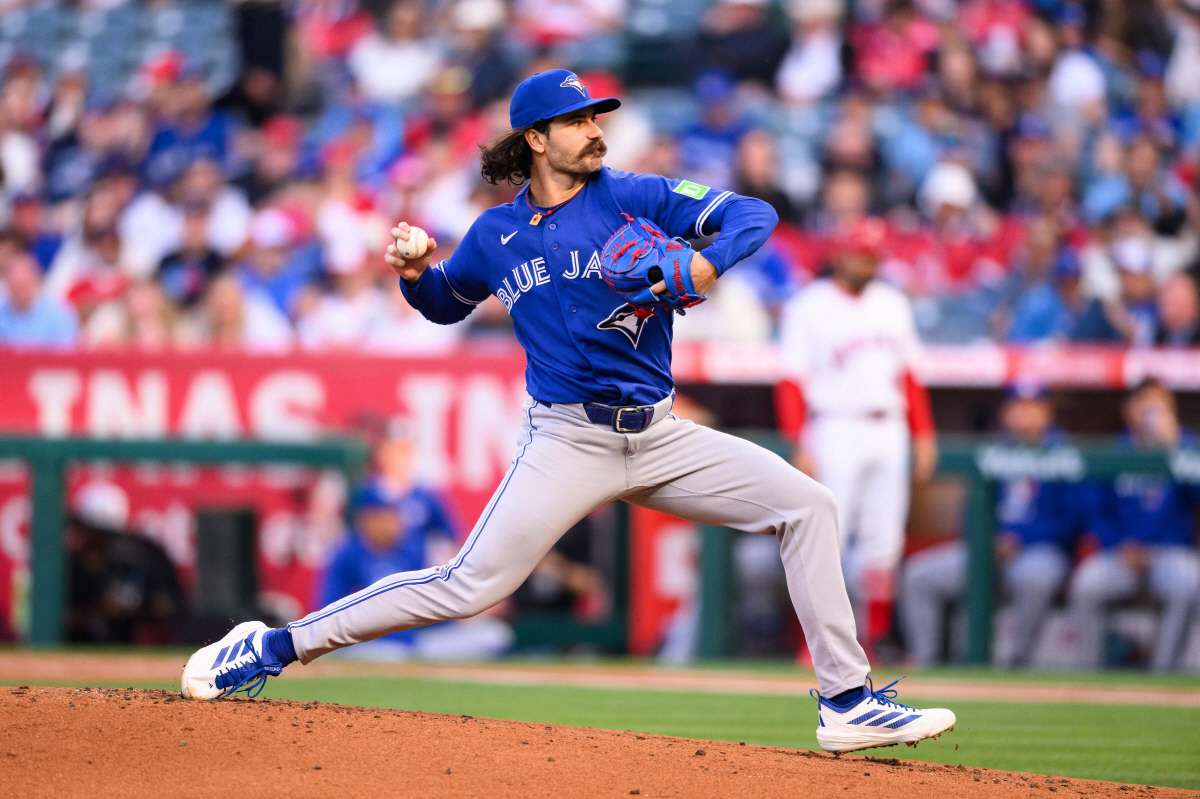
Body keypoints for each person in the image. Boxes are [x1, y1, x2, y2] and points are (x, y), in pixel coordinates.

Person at [182, 69, 955, 754]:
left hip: (659, 434)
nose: (596, 129)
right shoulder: (496, 233)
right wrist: (417, 274)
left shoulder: (634, 195)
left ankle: (847, 701)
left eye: (598, 117)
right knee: (467, 584)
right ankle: (274, 645)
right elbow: (448, 303)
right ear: (538, 139)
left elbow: (751, 214)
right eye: (580, 119)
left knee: (807, 505)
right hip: (566, 439)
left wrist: (703, 258)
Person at [775, 218, 938, 660]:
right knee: (828, 536)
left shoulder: (892, 302)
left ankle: (877, 636)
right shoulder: (809, 304)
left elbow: (909, 374)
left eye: (872, 256)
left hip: (889, 425)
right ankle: (817, 641)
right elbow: (791, 381)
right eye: (859, 254)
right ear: (839, 254)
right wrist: (799, 441)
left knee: (883, 539)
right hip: (834, 425)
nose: (866, 263)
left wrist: (924, 435)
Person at [900, 383, 1086, 666]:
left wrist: (1019, 539)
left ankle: (1017, 664)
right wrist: (989, 540)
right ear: (1005, 413)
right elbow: (970, 513)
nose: (1023, 413)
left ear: (1047, 413)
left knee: (1036, 576)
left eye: (1032, 406)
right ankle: (927, 663)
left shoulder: (1064, 452)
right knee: (918, 576)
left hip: (1039, 550)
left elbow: (1072, 520)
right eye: (1017, 406)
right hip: (989, 548)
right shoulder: (994, 449)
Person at [1068, 379, 1200, 672]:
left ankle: (1163, 674)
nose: (1153, 412)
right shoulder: (1115, 450)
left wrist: (1175, 451)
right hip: (1120, 552)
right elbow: (1095, 512)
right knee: (1086, 584)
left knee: (1189, 582)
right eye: (1146, 404)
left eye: (1161, 406)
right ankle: (1089, 676)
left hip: (1170, 552)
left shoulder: (1187, 446)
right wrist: (1118, 544)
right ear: (1130, 410)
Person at [320, 484, 512, 661]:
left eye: (393, 515)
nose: (391, 522)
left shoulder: (414, 549)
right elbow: (328, 611)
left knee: (494, 635)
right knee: (389, 654)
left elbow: (431, 603)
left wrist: (468, 612)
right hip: (370, 643)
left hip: (418, 642)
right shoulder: (346, 555)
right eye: (383, 516)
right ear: (365, 519)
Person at [0, 251, 79, 348]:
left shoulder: (59, 313)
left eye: (24, 286)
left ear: (35, 280)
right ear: (6, 283)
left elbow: (68, 353)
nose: (20, 291)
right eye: (16, 286)